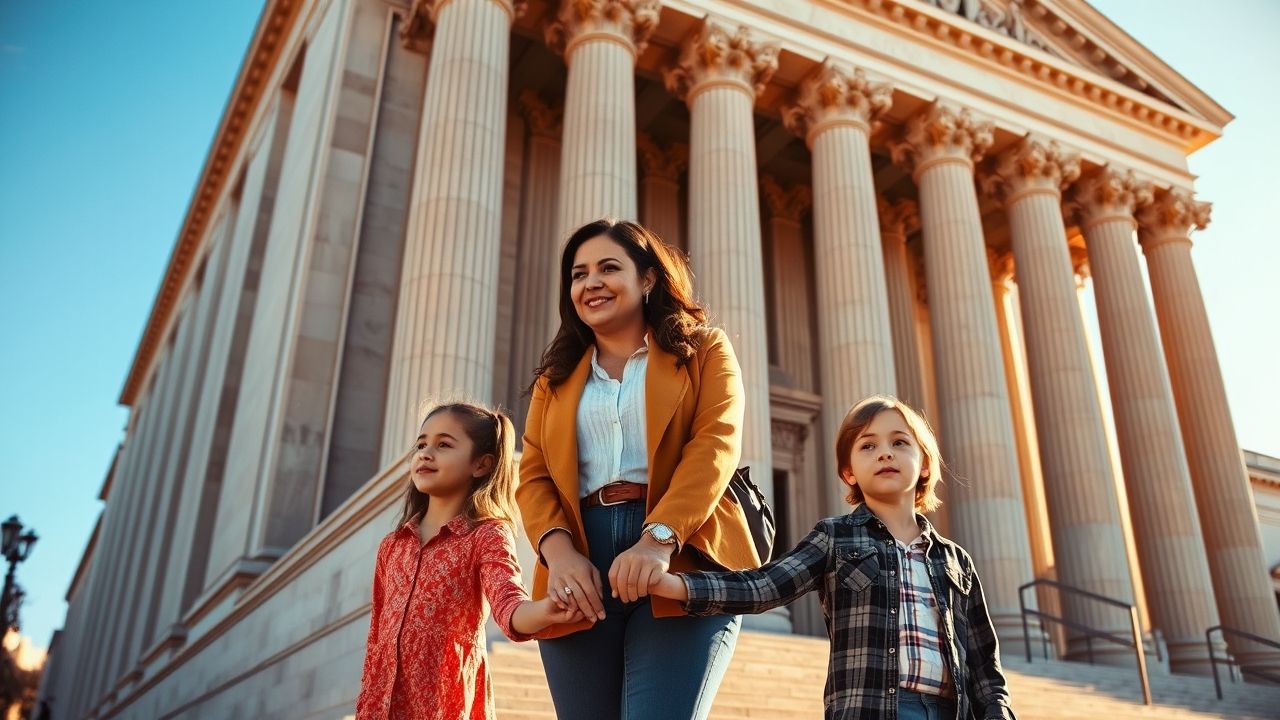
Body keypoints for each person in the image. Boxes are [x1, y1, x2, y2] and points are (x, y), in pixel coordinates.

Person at [516, 219, 761, 720]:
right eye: (579, 274)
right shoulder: (555, 378)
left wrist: (658, 540)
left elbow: (715, 446)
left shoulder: (704, 350)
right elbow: (534, 474)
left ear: (648, 279)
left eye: (609, 268)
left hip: (683, 555)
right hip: (579, 566)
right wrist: (558, 554)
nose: (592, 283)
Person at [650, 395, 1017, 720]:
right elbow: (764, 586)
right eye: (867, 446)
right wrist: (675, 585)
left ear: (924, 464)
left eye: (900, 442)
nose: (885, 453)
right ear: (849, 473)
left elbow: (985, 664)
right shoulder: (835, 538)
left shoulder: (955, 561)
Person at [355, 402, 582, 720]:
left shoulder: (487, 535)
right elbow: (376, 639)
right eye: (421, 444)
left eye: (443, 444)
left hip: (447, 707)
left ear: (481, 465)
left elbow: (509, 606)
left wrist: (545, 610)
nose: (425, 452)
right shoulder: (392, 546)